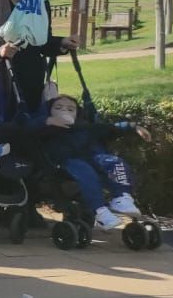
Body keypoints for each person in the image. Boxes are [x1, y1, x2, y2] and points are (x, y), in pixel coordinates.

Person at [37, 93, 148, 230]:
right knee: (85, 171)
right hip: (66, 163)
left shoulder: (86, 127)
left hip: (94, 159)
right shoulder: (45, 130)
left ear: (77, 114)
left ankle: (122, 198)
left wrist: (133, 127)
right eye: (58, 108)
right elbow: (28, 128)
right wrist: (48, 122)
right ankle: (99, 211)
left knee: (115, 161)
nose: (64, 111)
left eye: (71, 109)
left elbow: (111, 128)